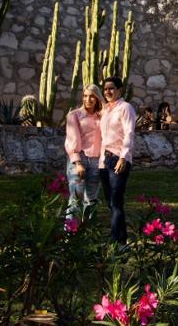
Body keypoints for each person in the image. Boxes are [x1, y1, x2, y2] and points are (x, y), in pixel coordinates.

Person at [98, 76, 136, 244]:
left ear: (120, 90)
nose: (108, 91)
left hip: (118, 158)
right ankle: (122, 239)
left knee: (116, 201)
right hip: (104, 159)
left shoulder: (125, 108)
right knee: (111, 203)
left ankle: (115, 241)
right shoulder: (105, 110)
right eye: (105, 89)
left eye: (112, 88)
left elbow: (129, 133)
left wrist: (123, 157)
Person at [64, 84, 103, 221]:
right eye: (85, 96)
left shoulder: (102, 117)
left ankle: (88, 232)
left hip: (97, 160)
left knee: (91, 199)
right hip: (79, 159)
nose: (88, 99)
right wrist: (78, 163)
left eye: (92, 96)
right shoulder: (74, 115)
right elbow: (72, 139)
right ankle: (69, 233)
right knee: (76, 197)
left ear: (98, 98)